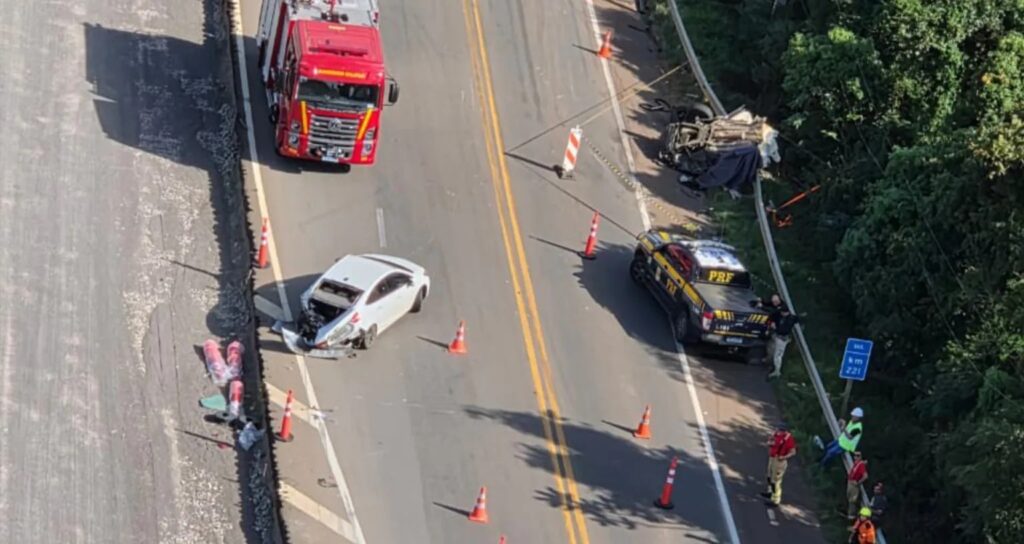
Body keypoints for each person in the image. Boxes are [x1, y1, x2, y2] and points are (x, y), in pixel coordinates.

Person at [760, 423, 797, 507]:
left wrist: (784, 457)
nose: (779, 431)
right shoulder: (776, 434)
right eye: (779, 429)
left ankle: (775, 499)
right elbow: (771, 442)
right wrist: (770, 443)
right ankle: (770, 492)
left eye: (781, 430)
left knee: (775, 482)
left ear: (785, 431)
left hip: (780, 461)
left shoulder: (788, 439)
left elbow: (793, 452)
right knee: (769, 476)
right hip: (772, 458)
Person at [766, 305, 799, 380]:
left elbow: (783, 330)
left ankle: (777, 371)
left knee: (778, 355)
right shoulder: (782, 316)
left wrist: (775, 328)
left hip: (782, 338)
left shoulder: (790, 320)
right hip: (777, 337)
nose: (781, 313)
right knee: (773, 351)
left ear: (785, 312)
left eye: (782, 312)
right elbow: (772, 315)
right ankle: (774, 367)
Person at [846, 452, 868, 519]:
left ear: (861, 457)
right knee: (849, 497)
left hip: (854, 483)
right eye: (855, 455)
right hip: (850, 482)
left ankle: (852, 515)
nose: (856, 457)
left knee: (853, 499)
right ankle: (851, 513)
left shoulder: (861, 465)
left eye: (858, 456)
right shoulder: (856, 464)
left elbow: (865, 476)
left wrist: (858, 482)